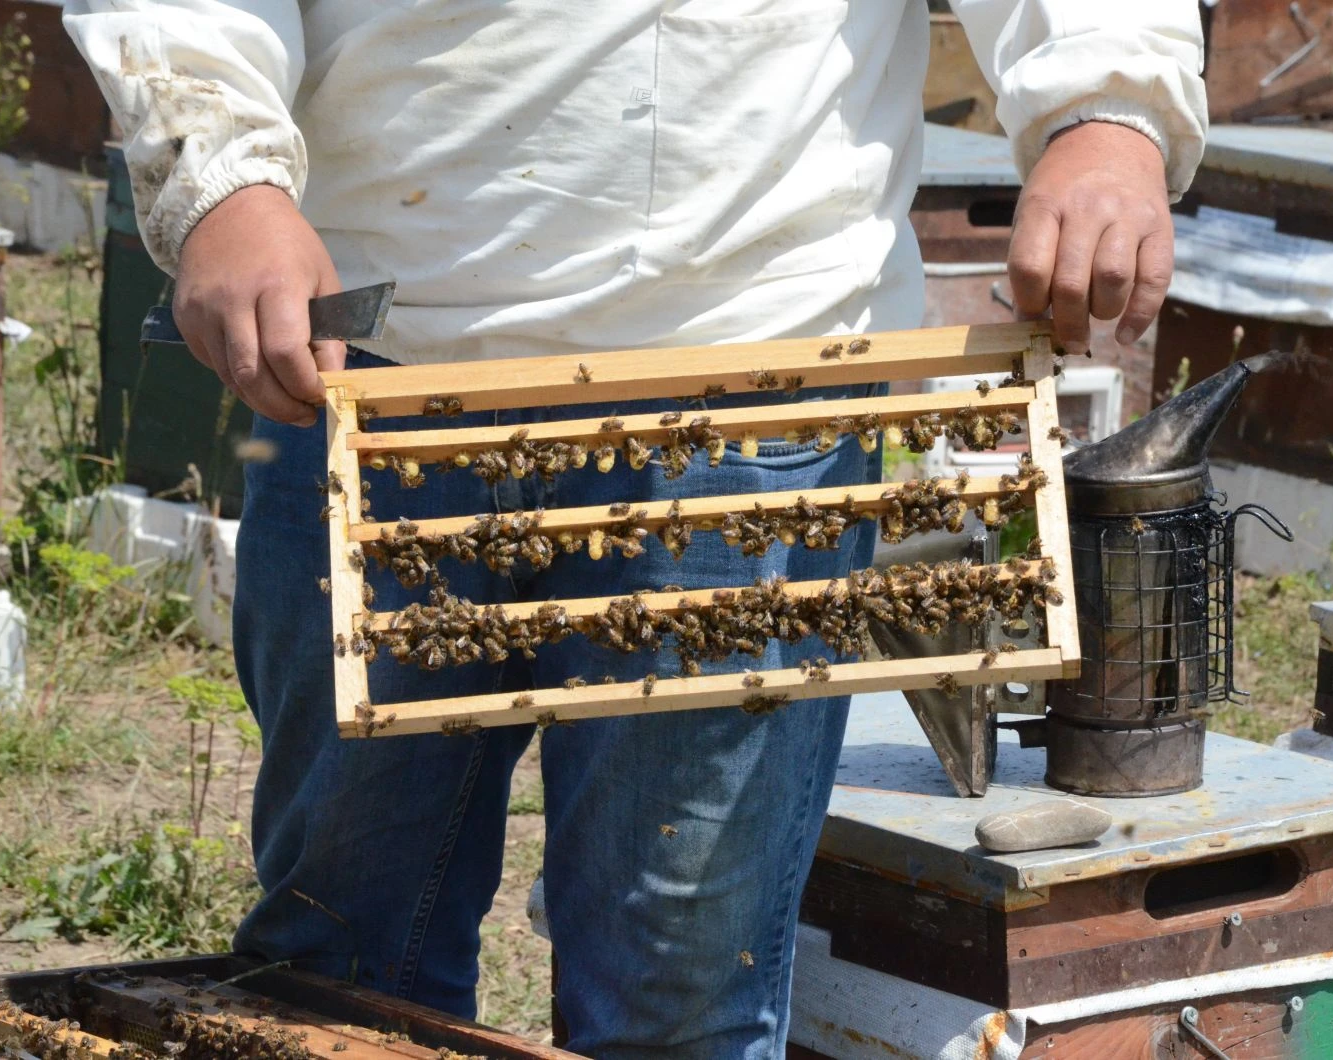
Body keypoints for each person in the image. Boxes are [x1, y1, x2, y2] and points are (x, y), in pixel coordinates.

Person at [64, 1, 1205, 1054]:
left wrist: (1109, 112)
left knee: (678, 1005)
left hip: (750, 379)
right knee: (335, 966)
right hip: (357, 367)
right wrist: (219, 176)